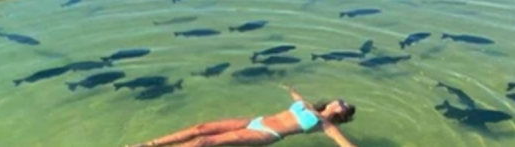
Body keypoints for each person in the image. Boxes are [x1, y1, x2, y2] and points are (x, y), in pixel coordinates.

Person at [128, 85, 357, 147]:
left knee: (203, 142)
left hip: (267, 133)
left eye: (345, 106)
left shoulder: (325, 125)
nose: (341, 102)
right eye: (343, 100)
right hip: (254, 121)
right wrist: (287, 85)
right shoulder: (306, 105)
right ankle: (149, 144)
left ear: (341, 114)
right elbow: (296, 95)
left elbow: (345, 145)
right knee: (201, 128)